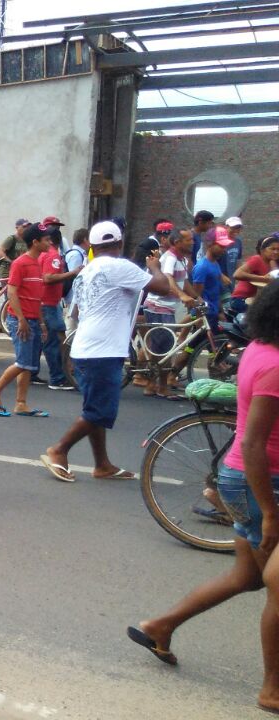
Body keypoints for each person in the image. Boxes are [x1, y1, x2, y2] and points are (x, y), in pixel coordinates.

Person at [126, 283, 279, 714]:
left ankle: (161, 625)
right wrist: (268, 513)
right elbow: (252, 444)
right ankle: (272, 689)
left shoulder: (260, 350)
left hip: (247, 478)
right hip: (261, 483)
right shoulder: (274, 366)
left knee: (246, 578)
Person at [40, 220, 172, 482]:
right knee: (100, 412)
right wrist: (155, 267)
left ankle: (102, 464)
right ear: (120, 244)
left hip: (87, 347)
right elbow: (163, 288)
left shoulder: (87, 270)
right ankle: (59, 450)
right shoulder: (119, 266)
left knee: (94, 409)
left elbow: (78, 309)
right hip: (103, 350)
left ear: (92, 245)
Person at [0, 224, 51, 418]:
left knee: (29, 364)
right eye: (45, 240)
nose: (49, 243)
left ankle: (21, 403)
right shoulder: (20, 263)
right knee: (23, 363)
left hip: (33, 319)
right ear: (35, 242)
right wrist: (21, 319)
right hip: (20, 319)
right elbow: (12, 291)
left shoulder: (38, 263)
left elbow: (36, 297)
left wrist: (41, 322)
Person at [140, 229, 197, 399]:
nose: (192, 242)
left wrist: (198, 298)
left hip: (167, 307)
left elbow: (184, 282)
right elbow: (168, 280)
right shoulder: (170, 258)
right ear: (177, 242)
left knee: (162, 348)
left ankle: (153, 385)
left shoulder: (181, 259)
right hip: (158, 306)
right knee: (164, 349)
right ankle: (159, 385)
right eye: (189, 240)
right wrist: (181, 295)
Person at [36, 219, 73, 390]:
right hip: (48, 304)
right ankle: (57, 378)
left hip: (48, 303)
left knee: (55, 339)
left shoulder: (44, 254)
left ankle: (39, 373)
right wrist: (72, 273)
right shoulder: (52, 255)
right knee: (54, 341)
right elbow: (48, 278)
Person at [194, 228, 235, 334]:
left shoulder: (215, 264)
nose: (224, 249)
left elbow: (215, 291)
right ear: (210, 244)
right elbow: (197, 295)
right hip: (206, 314)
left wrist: (220, 311)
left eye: (225, 246)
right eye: (221, 246)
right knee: (201, 344)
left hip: (214, 311)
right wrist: (199, 320)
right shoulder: (202, 267)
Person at [230, 234, 279, 313]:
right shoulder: (257, 259)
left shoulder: (272, 263)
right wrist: (264, 278)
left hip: (254, 301)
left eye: (278, 249)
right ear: (262, 250)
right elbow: (237, 274)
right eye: (272, 249)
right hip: (240, 300)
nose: (276, 252)